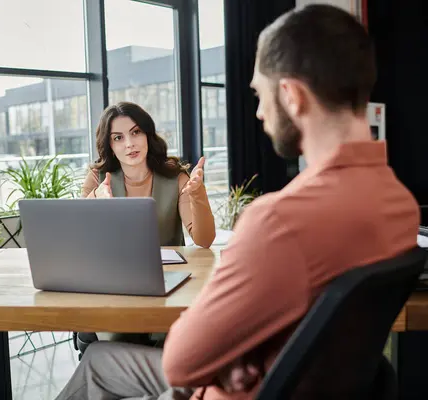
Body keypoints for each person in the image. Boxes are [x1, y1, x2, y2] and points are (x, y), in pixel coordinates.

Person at [55, 4, 420, 400]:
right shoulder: (399, 206)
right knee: (100, 361)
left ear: (291, 96)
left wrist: (234, 361)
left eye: (259, 95)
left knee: (98, 363)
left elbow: (181, 361)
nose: (261, 113)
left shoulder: (278, 221)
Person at [74, 101, 217, 353]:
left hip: (168, 284)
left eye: (136, 132)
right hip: (115, 286)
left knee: (169, 341)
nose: (129, 143)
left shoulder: (176, 177)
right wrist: (95, 201)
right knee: (116, 338)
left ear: (148, 135)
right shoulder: (98, 178)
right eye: (118, 137)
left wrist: (198, 194)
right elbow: (80, 241)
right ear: (109, 145)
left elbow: (204, 240)